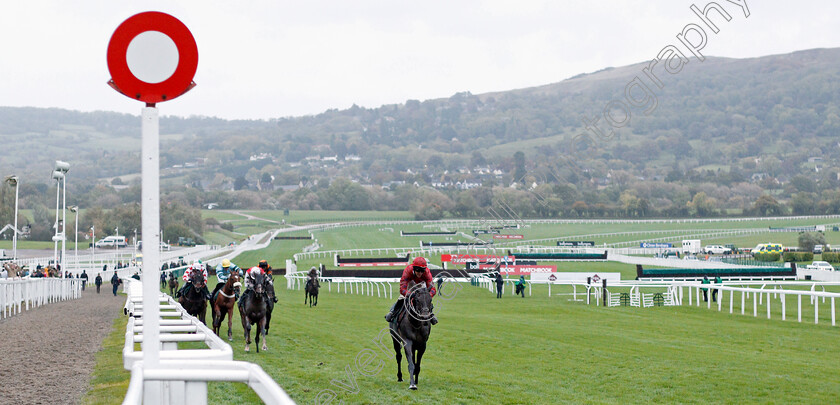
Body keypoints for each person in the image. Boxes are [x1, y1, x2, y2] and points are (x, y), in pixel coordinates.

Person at [384, 257, 438, 325]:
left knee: (425, 300)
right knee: (402, 298)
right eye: (418, 270)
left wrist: (428, 296)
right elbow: (402, 290)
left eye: (422, 271)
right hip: (410, 283)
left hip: (421, 284)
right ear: (414, 268)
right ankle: (393, 312)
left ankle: (431, 315)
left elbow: (433, 289)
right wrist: (410, 294)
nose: (420, 273)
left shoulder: (426, 273)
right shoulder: (408, 271)